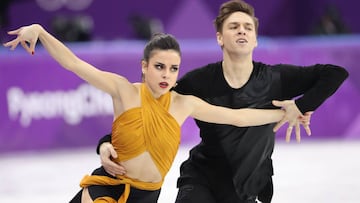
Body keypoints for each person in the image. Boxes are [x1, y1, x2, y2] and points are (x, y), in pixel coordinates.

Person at [3, 24, 303, 203]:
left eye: (173, 69)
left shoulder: (184, 104)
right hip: (108, 186)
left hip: (147, 197)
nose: (166, 75)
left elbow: (238, 117)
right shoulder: (124, 90)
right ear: (144, 66)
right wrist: (40, 32)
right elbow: (74, 64)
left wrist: (286, 113)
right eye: (159, 66)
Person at [97, 0, 349, 202]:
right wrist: (107, 142)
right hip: (201, 179)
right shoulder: (198, 82)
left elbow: (335, 73)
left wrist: (301, 106)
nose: (242, 30)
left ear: (255, 39)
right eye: (234, 26)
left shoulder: (276, 78)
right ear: (219, 37)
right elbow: (146, 108)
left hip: (247, 186)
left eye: (248, 27)